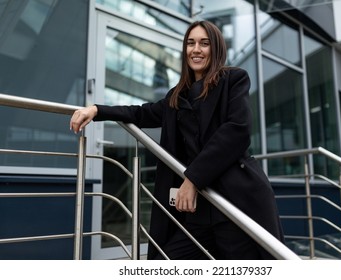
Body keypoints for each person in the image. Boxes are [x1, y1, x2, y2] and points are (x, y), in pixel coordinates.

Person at [70, 20, 284, 260]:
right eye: (191, 43)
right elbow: (141, 113)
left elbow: (237, 130)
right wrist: (97, 110)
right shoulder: (176, 96)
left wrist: (192, 179)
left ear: (216, 48)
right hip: (198, 212)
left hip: (233, 203)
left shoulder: (233, 80)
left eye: (204, 43)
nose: (196, 49)